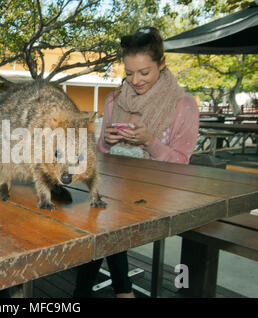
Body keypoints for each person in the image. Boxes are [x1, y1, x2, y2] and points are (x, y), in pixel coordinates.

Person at [73, 26, 199, 298]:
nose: (135, 80)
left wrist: (149, 142)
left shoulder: (183, 105)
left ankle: (103, 291)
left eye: (144, 72)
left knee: (100, 221)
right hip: (116, 195)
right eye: (129, 73)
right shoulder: (114, 100)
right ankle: (122, 291)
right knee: (100, 215)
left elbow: (181, 165)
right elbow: (101, 155)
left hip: (160, 197)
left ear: (162, 64)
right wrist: (106, 141)